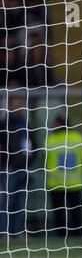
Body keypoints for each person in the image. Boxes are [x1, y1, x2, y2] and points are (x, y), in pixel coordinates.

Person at [46, 114, 82, 237]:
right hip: (75, 183)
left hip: (56, 183)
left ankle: (61, 236)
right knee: (76, 212)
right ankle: (78, 235)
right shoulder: (79, 138)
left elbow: (45, 157)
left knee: (59, 213)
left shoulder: (50, 140)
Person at [0, 96, 34, 236]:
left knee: (20, 204)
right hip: (9, 168)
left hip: (24, 168)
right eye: (16, 104)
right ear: (9, 106)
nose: (19, 107)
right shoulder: (4, 124)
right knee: (7, 203)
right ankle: (4, 232)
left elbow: (33, 144)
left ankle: (16, 232)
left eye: (21, 104)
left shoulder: (26, 124)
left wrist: (29, 162)